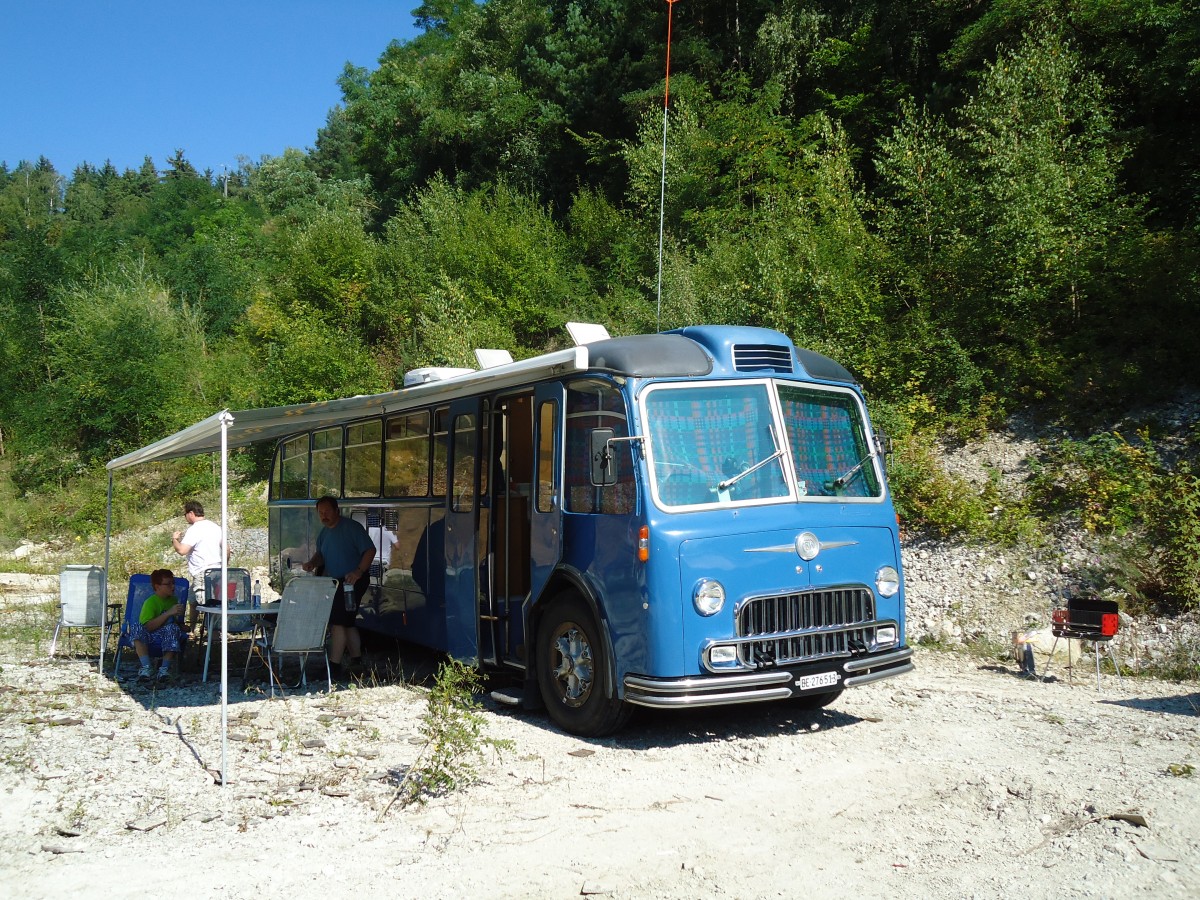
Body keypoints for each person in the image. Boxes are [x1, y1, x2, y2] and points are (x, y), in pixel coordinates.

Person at [302, 496, 375, 679]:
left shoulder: (351, 528)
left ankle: (334, 667)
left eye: (327, 511)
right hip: (335, 582)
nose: (323, 515)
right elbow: (322, 555)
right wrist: (312, 563)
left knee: (338, 622)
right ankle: (357, 662)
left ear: (337, 511)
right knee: (348, 622)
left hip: (352, 581)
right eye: (320, 512)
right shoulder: (325, 533)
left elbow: (370, 550)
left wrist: (359, 571)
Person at [171, 500, 225, 632]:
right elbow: (227, 549)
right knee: (193, 600)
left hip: (202, 572)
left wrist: (174, 539)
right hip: (218, 570)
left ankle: (214, 631)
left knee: (207, 603)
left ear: (191, 513)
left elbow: (182, 550)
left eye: (185, 514)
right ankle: (192, 629)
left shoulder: (195, 529)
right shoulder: (216, 527)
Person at [131, 569, 185, 683]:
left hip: (166, 636)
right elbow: (147, 627)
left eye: (173, 583)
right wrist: (169, 613)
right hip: (150, 637)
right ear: (157, 586)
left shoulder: (174, 600)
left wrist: (181, 625)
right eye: (168, 584)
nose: (173, 586)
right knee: (137, 627)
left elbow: (171, 622)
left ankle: (164, 670)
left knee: (173, 628)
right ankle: (146, 668)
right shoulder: (150, 603)